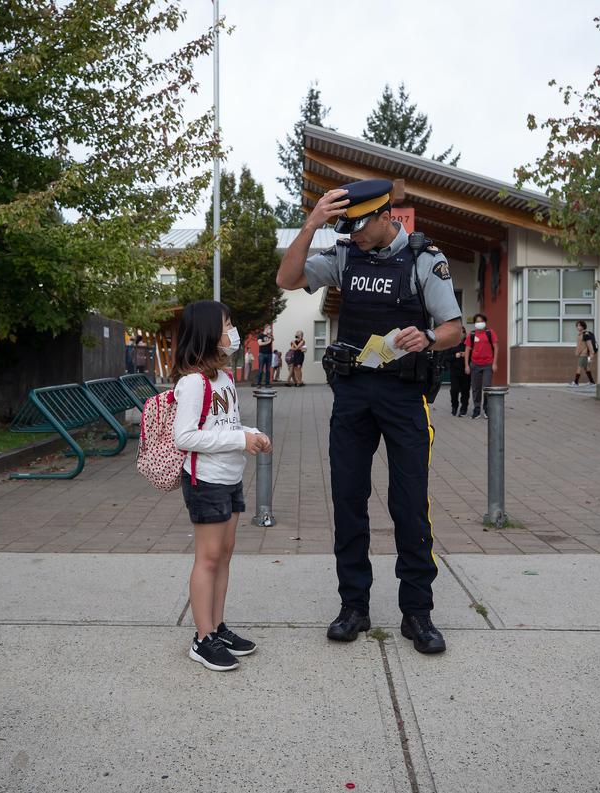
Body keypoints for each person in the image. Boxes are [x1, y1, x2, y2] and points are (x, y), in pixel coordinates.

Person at [276, 179, 463, 655]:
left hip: (404, 398)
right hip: (353, 395)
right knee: (348, 501)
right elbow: (287, 278)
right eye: (346, 228)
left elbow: (454, 329)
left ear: (386, 218)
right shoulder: (344, 256)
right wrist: (313, 223)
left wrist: (428, 337)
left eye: (359, 227)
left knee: (408, 504)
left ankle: (417, 614)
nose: (353, 236)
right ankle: (353, 606)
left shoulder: (424, 259)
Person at [171, 300, 271, 672]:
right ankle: (202, 638)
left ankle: (216, 627)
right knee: (208, 558)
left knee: (224, 555)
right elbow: (186, 437)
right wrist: (238, 442)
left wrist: (252, 434)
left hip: (229, 478)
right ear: (210, 333)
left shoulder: (223, 379)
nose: (233, 332)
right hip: (206, 481)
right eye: (228, 324)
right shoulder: (193, 383)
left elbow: (226, 426)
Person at [464, 313, 497, 418]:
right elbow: (467, 350)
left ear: (485, 322)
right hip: (475, 365)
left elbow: (496, 347)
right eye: (477, 321)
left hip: (487, 364)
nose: (479, 323)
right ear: (474, 323)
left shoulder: (490, 333)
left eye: (481, 321)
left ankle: (486, 409)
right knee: (476, 388)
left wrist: (494, 363)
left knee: (487, 386)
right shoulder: (471, 335)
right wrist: (466, 366)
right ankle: (477, 409)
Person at [447, 324, 470, 417]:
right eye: (459, 332)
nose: (461, 334)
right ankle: (454, 406)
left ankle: (463, 408)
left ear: (465, 334)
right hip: (454, 371)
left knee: (465, 391)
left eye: (463, 332)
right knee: (454, 390)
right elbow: (446, 357)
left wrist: (467, 355)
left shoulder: (468, 344)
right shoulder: (451, 344)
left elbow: (473, 356)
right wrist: (454, 356)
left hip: (466, 371)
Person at [572, 321, 597, 386]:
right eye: (577, 326)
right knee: (586, 368)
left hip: (584, 354)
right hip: (582, 354)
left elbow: (589, 345)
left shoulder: (586, 334)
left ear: (583, 326)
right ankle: (592, 382)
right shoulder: (580, 334)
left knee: (579, 367)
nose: (578, 327)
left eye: (579, 326)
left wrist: (592, 353)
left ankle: (576, 382)